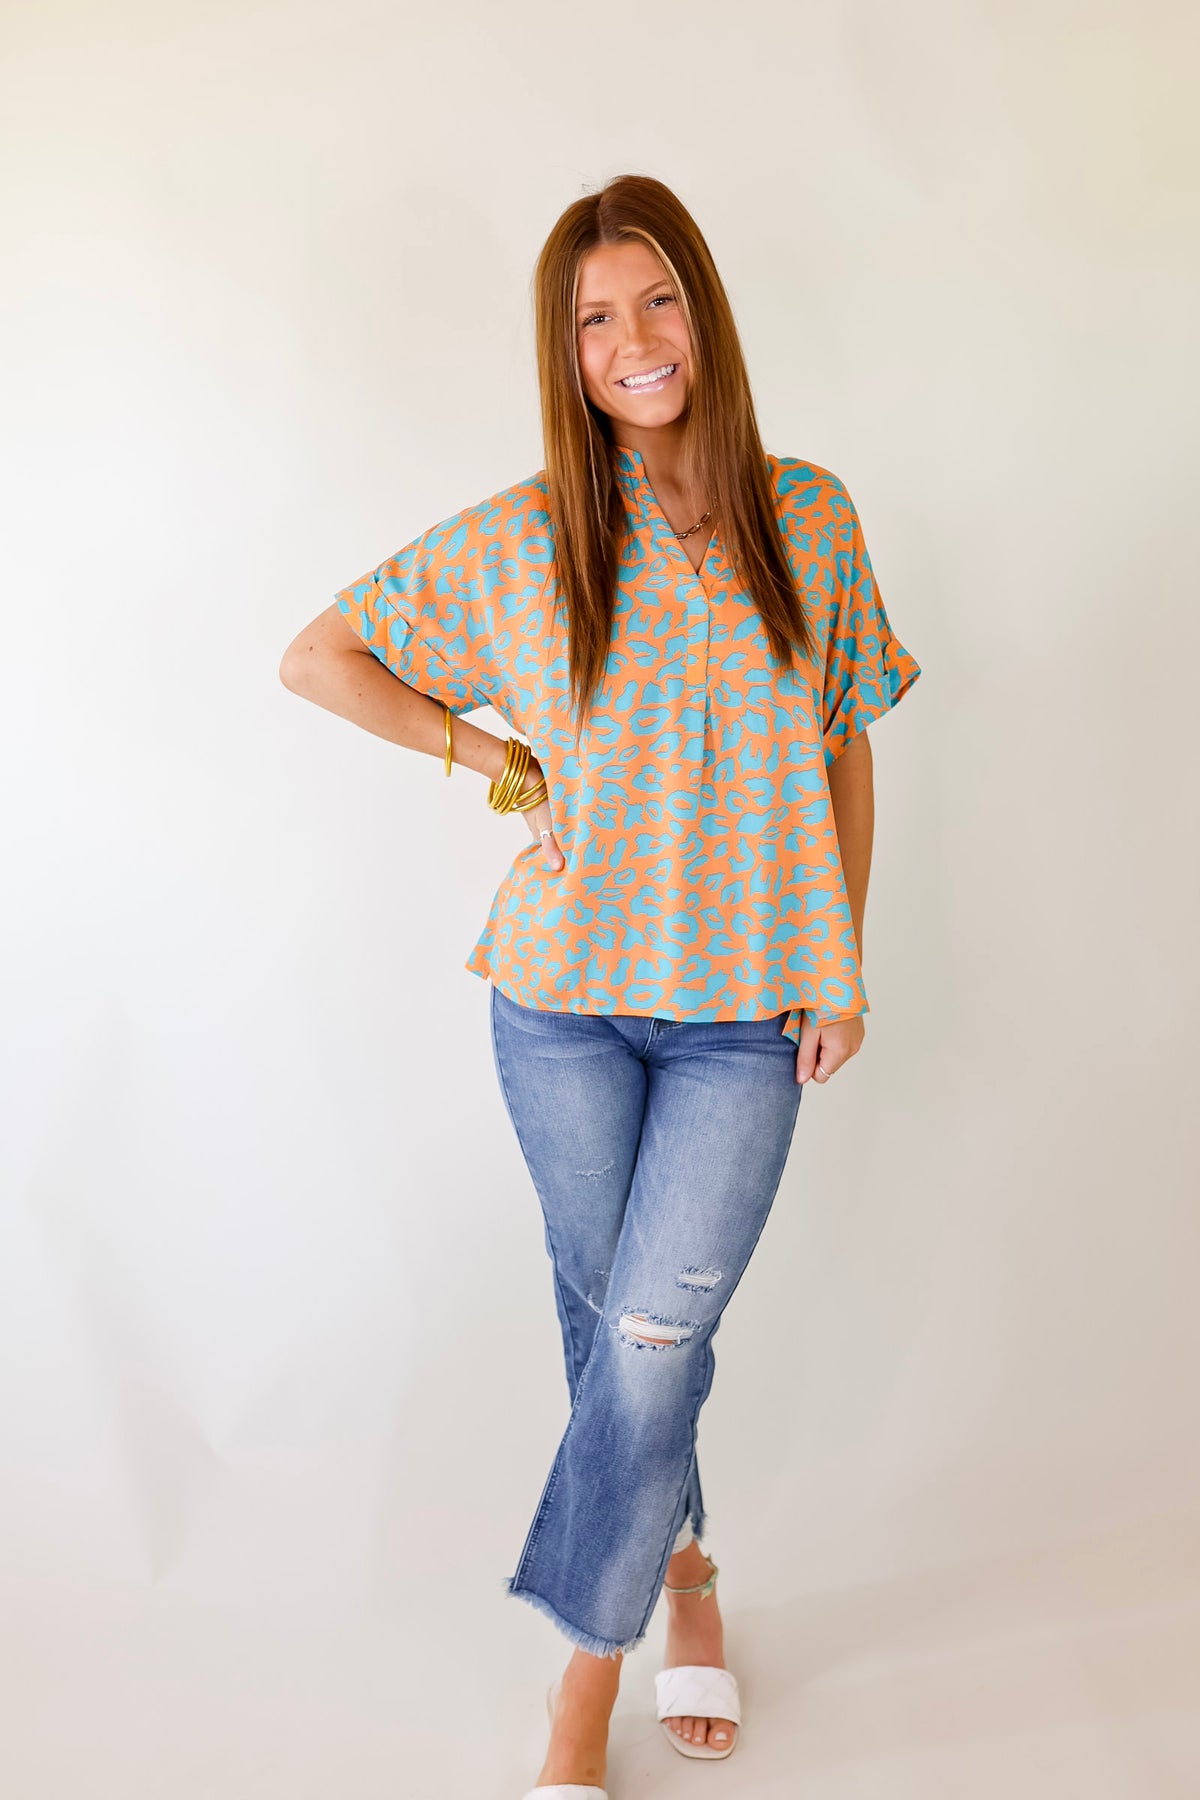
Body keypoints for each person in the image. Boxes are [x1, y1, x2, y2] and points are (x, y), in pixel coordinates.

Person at [279, 173, 921, 1799]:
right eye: (592, 318)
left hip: (744, 1023)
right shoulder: (527, 537)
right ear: (565, 353)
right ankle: (687, 1573)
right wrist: (487, 757)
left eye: (656, 299)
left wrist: (841, 962)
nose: (633, 339)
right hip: (558, 1005)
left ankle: (583, 1684)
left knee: (646, 1336)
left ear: (702, 309)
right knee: (617, 1331)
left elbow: (844, 750)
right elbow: (319, 656)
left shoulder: (810, 516)